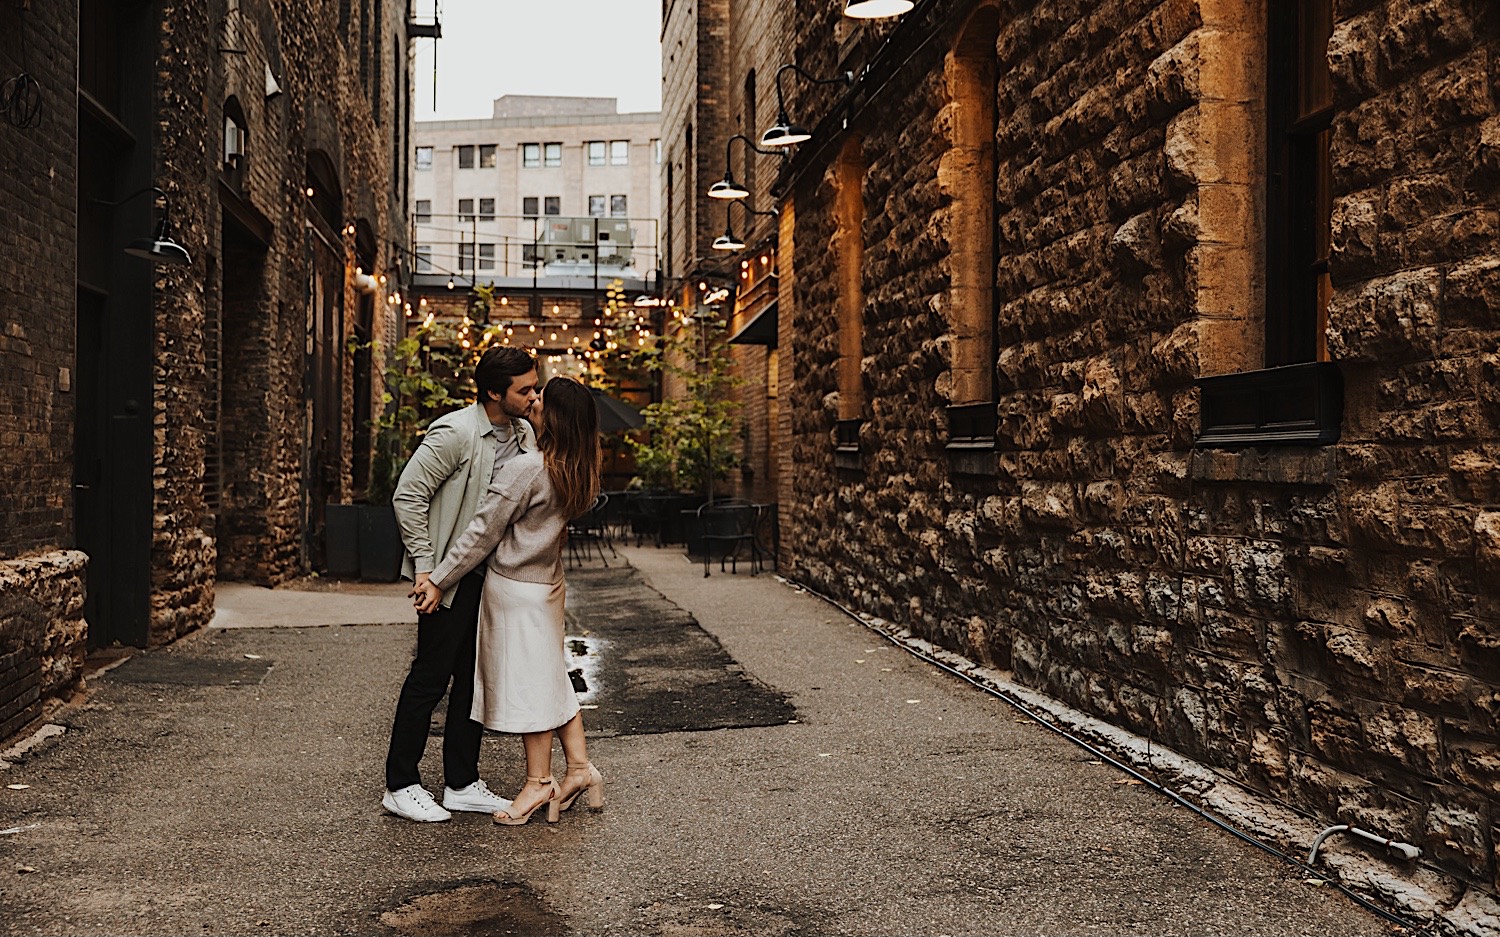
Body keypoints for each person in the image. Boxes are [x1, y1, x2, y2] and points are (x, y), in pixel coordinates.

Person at [413, 376, 605, 826]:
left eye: (543, 399)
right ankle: (579, 769)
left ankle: (538, 784)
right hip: (547, 586)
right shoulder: (581, 468)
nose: (534, 401)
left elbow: (482, 533)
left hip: (516, 589)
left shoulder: (528, 468)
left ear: (554, 417)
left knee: (529, 688)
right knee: (551, 676)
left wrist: (438, 579)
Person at [382, 346, 540, 823]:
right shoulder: (455, 433)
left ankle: (462, 782)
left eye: (534, 387)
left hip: (494, 579)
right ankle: (401, 784)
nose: (534, 397)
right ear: (494, 392)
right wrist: (427, 569)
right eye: (524, 390)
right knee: (430, 679)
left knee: (474, 683)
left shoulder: (524, 433)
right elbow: (408, 496)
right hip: (449, 578)